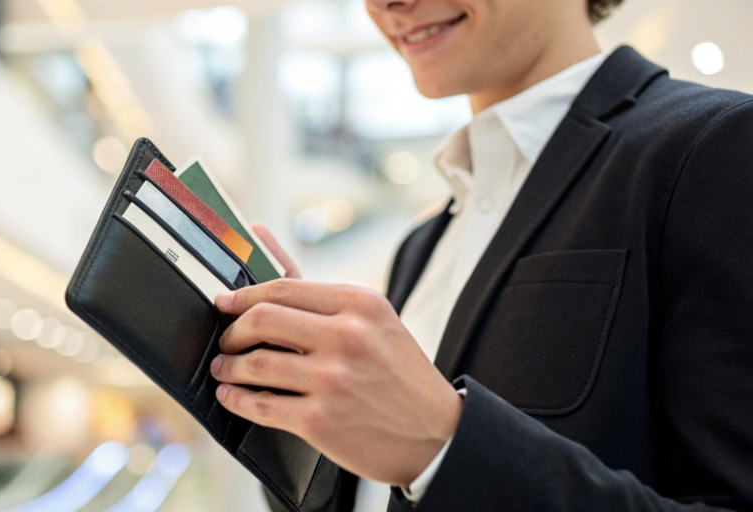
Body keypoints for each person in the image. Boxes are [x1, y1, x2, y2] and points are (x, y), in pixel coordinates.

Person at [209, 0, 753, 510]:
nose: (385, 3)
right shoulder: (421, 246)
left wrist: (444, 445)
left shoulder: (715, 148)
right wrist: (298, 412)